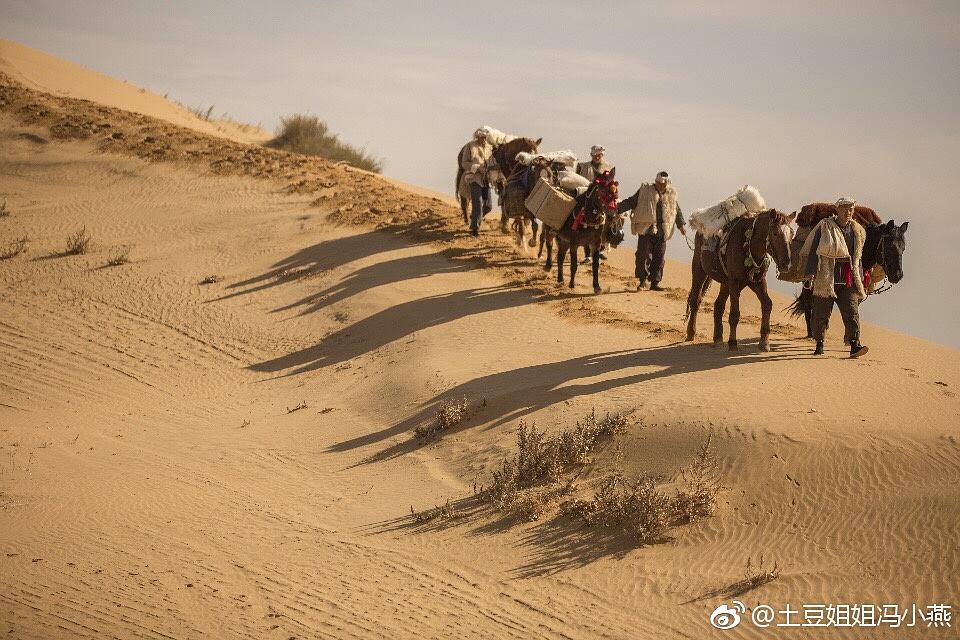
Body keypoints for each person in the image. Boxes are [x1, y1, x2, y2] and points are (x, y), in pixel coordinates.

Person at [803, 196, 869, 357]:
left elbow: (858, 257)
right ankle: (819, 343)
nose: (848, 212)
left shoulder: (858, 230)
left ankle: (854, 344)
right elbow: (814, 252)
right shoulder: (825, 227)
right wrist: (810, 274)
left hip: (848, 279)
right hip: (826, 276)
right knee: (820, 313)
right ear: (837, 209)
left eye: (851, 209)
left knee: (852, 312)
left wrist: (861, 277)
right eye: (844, 208)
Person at [617, 171, 686, 291]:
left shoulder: (671, 194)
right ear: (656, 182)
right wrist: (618, 208)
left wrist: (681, 226)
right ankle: (642, 281)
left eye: (663, 184)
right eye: (659, 183)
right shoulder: (645, 190)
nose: (661, 186)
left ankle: (655, 283)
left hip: (662, 231)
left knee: (659, 258)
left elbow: (676, 210)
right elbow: (632, 201)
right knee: (643, 256)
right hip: (646, 229)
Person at [577, 146, 615, 261]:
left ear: (602, 155)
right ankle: (588, 254)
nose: (597, 157)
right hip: (586, 198)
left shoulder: (609, 167)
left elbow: (612, 184)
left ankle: (601, 249)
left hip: (603, 200)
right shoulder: (582, 167)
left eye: (599, 155)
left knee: (608, 221)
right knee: (585, 224)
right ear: (591, 155)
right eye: (594, 155)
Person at [458, 128, 493, 236]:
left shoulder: (489, 148)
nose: (484, 139)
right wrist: (477, 167)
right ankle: (475, 229)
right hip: (474, 178)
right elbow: (464, 163)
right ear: (477, 137)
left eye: (485, 137)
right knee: (477, 203)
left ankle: (475, 217)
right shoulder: (470, 146)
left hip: (486, 179)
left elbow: (493, 162)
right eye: (482, 137)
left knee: (488, 206)